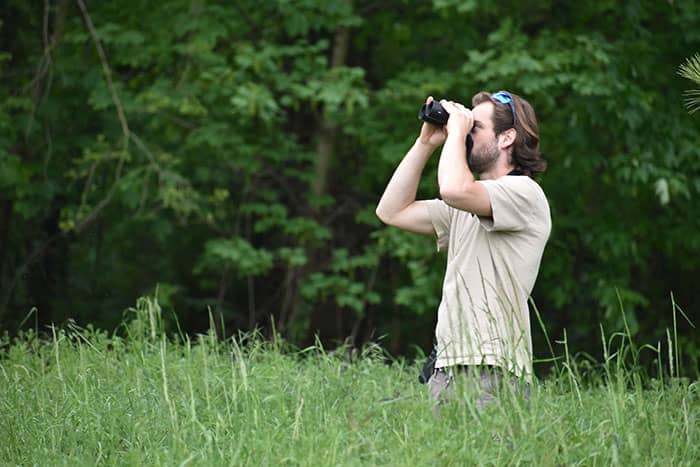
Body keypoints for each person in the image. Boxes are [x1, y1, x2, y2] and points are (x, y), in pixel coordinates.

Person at [375, 91, 551, 411]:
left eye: (475, 127)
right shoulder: (465, 208)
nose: (466, 134)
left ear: (507, 137)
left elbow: (455, 189)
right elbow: (391, 211)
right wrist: (426, 144)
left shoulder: (525, 194)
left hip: (495, 368)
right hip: (449, 365)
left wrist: (456, 131)